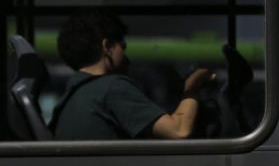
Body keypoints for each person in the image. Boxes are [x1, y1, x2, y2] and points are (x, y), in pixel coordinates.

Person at [51, 8, 215, 140]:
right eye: (123, 48)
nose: (127, 60)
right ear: (107, 46)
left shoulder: (70, 95)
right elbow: (179, 131)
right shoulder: (112, 87)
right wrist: (192, 87)